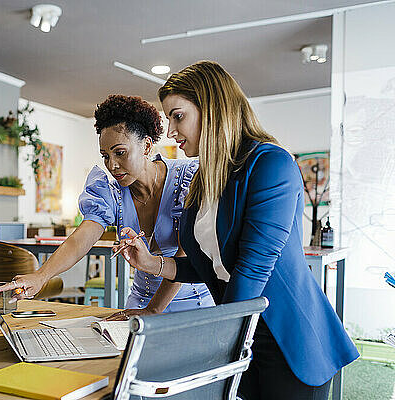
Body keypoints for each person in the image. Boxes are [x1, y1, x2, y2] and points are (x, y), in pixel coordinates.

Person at [114, 61, 359, 400]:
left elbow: (253, 266)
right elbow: (208, 268)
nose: (170, 131)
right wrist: (151, 263)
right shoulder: (205, 180)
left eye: (178, 116)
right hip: (243, 329)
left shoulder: (271, 164)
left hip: (287, 340)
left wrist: (213, 341)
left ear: (212, 109)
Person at [0, 94, 214, 318]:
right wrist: (40, 276)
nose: (112, 165)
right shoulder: (111, 192)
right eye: (105, 156)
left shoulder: (189, 179)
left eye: (120, 152)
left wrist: (153, 309)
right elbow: (80, 240)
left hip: (192, 303)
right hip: (140, 302)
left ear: (146, 145)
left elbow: (186, 254)